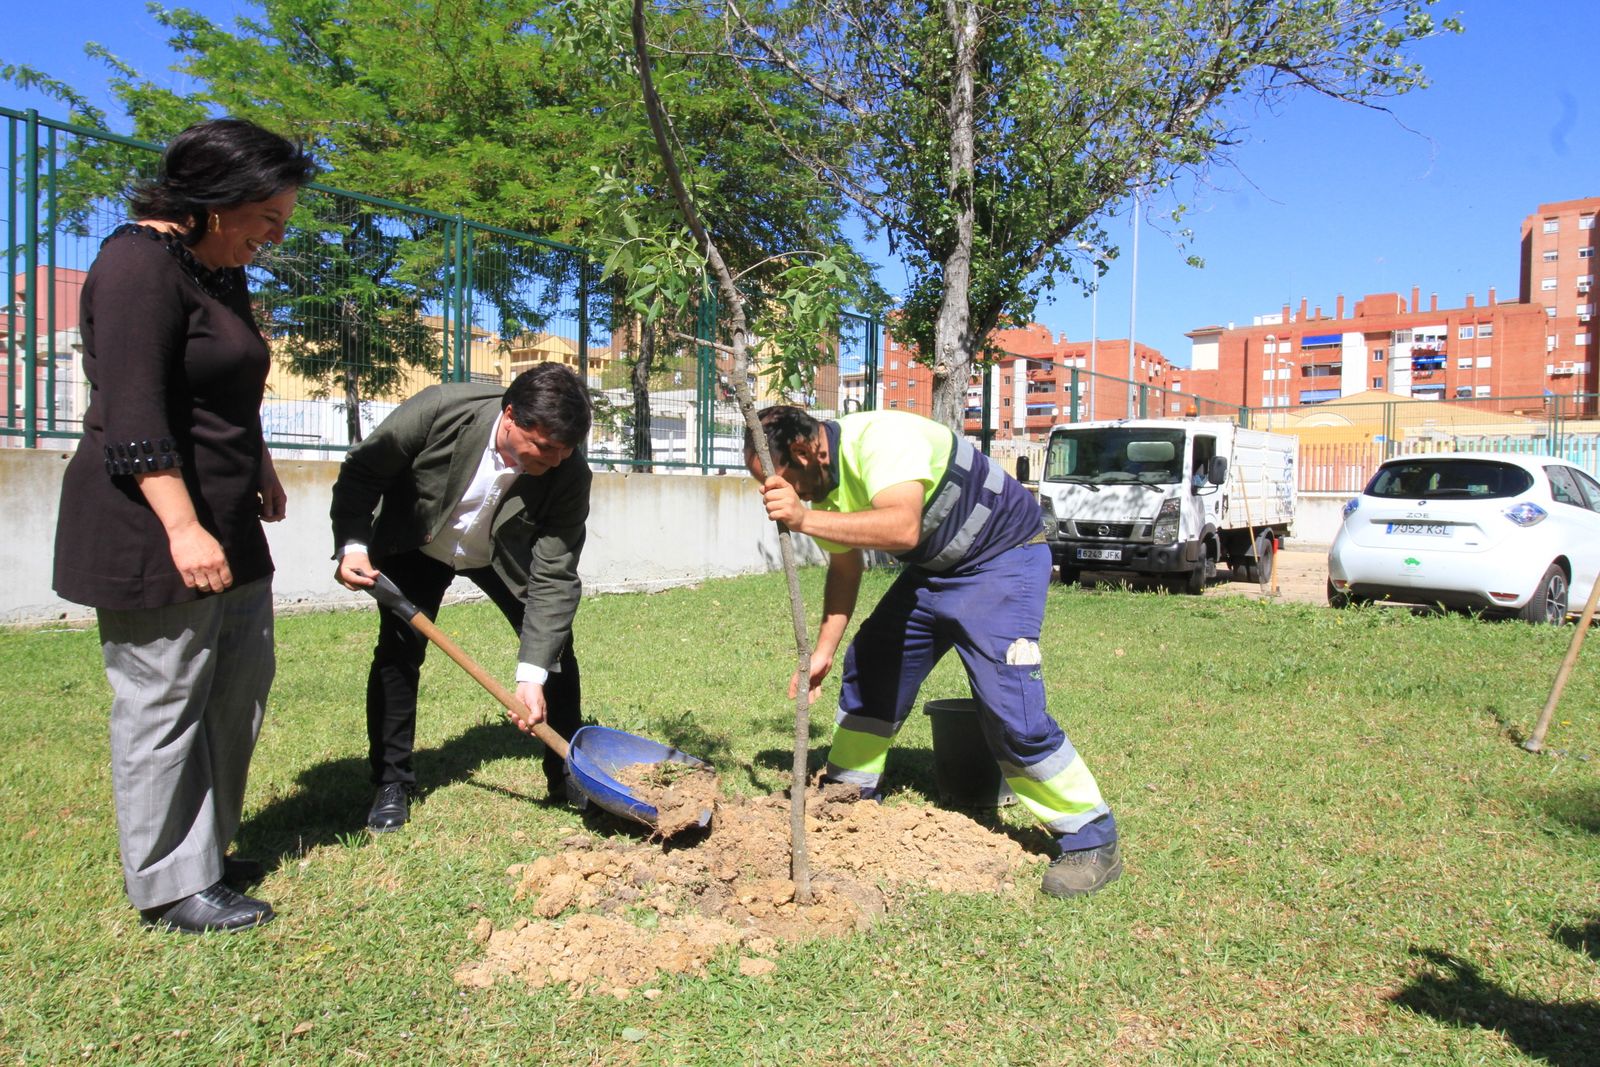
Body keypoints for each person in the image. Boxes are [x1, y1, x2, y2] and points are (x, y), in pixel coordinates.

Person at [52, 118, 316, 933]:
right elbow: (134, 409)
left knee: (237, 687)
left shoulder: (218, 270)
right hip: (151, 523)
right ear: (214, 201)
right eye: (266, 218)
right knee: (163, 698)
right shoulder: (135, 263)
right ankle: (170, 884)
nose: (273, 237)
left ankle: (206, 849)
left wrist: (261, 465)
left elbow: (229, 385)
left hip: (231, 515)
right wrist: (182, 525)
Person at [746, 406, 1121, 898]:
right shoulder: (823, 482)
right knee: (875, 660)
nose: (776, 493)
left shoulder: (882, 439)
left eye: (777, 479)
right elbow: (846, 569)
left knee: (1010, 707)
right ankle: (847, 791)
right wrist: (823, 651)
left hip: (1003, 558)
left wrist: (803, 517)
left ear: (801, 452)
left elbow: (901, 529)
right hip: (937, 569)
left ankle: (1091, 836)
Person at [331, 363, 592, 832]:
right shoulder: (439, 409)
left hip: (502, 556)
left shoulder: (568, 470)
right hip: (420, 541)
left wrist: (530, 675)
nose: (555, 461)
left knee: (556, 654)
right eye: (545, 447)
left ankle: (567, 771)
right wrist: (353, 543)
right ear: (510, 416)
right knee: (398, 653)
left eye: (565, 450)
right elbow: (364, 470)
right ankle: (392, 781)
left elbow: (555, 573)